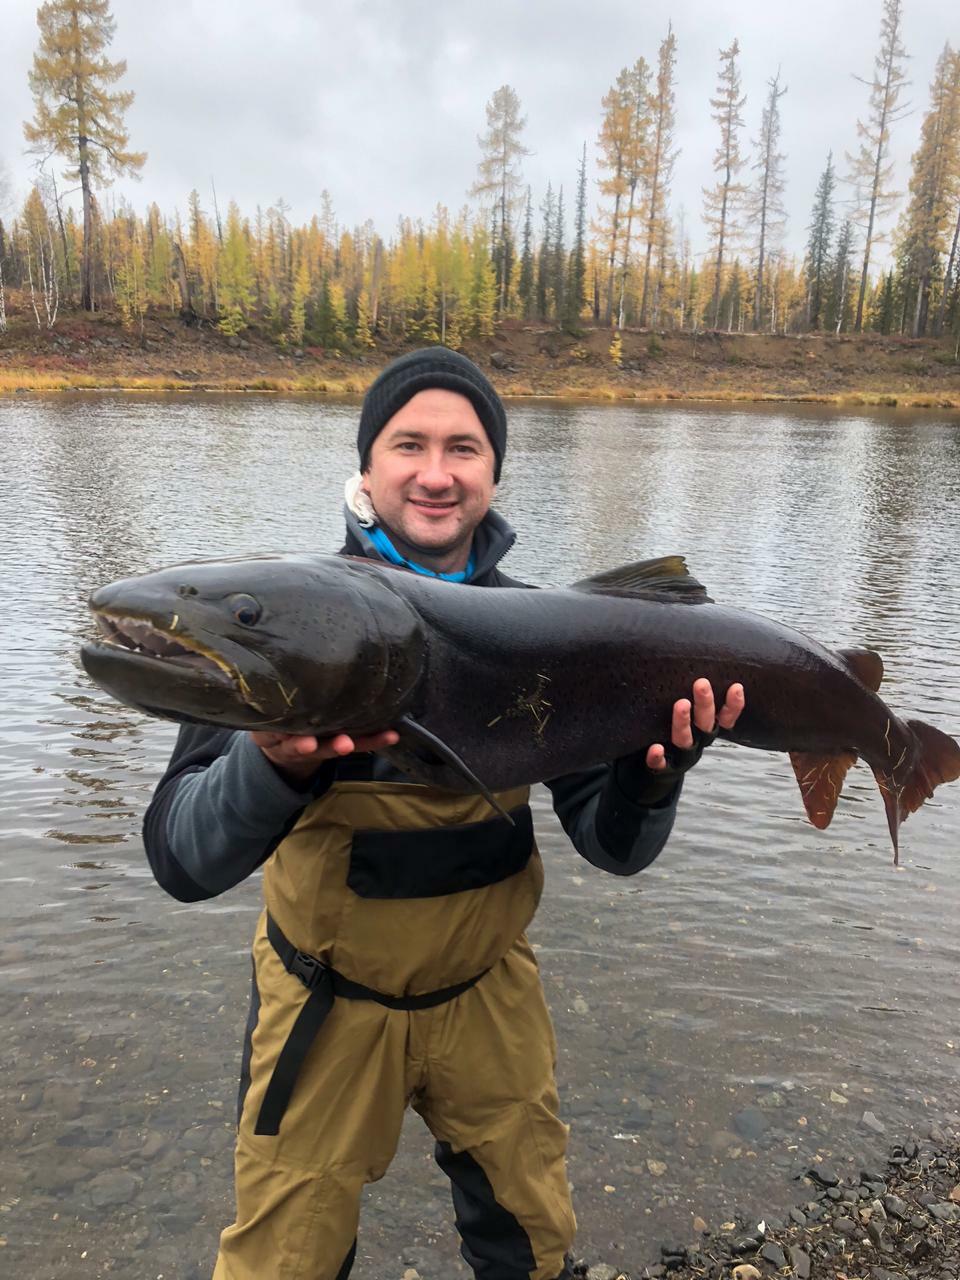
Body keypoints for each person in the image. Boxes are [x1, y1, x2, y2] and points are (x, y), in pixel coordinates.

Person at [142, 346, 745, 1280]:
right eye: (407, 444)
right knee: (281, 1262)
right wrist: (268, 766)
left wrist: (654, 774)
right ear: (367, 466)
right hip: (324, 1007)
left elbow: (612, 848)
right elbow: (181, 862)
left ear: (495, 472)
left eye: (463, 447)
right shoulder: (277, 628)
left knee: (533, 1248)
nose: (434, 473)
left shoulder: (549, 633)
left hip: (489, 998)